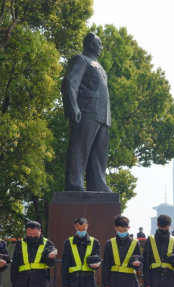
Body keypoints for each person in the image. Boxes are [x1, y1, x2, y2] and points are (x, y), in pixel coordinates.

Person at [61, 32, 112, 192]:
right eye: (99, 43)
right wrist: (73, 106)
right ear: (91, 44)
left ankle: (98, 184)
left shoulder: (97, 64)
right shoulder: (81, 59)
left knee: (99, 154)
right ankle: (74, 183)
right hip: (87, 110)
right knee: (80, 148)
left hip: (102, 115)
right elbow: (69, 82)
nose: (101, 47)